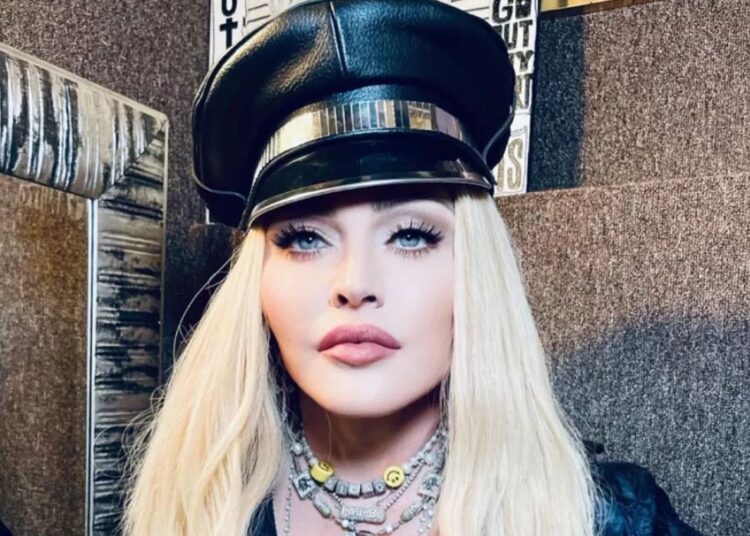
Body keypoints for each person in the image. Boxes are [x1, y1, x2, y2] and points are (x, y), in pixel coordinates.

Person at [122, 1, 704, 534]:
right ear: (257, 284)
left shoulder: (609, 519)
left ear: (476, 273)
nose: (355, 284)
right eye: (304, 238)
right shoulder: (192, 510)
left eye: (410, 235)